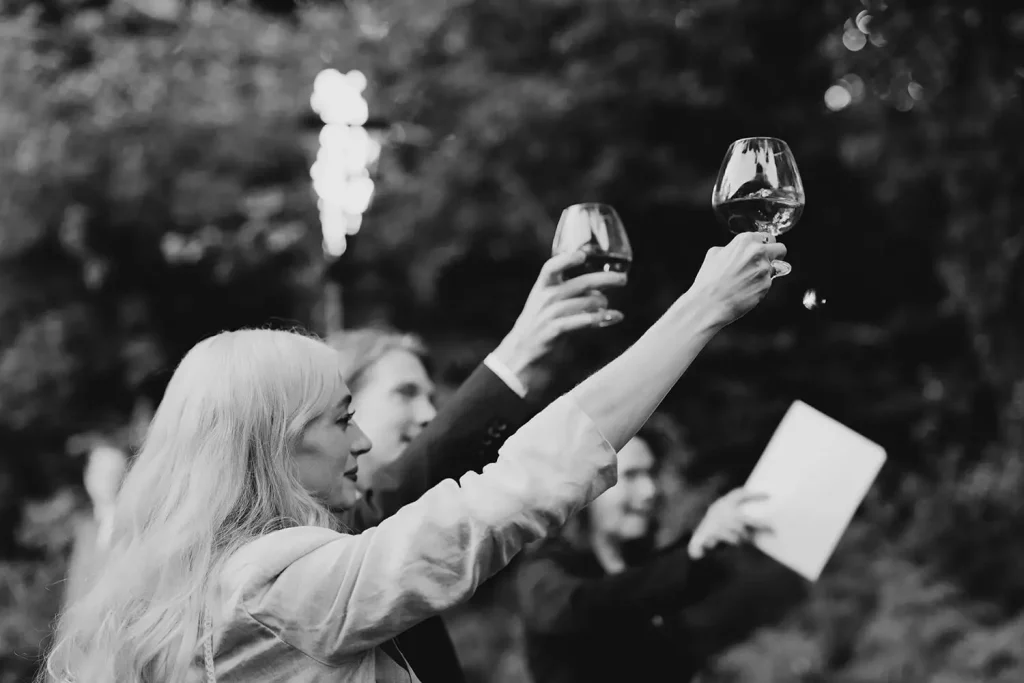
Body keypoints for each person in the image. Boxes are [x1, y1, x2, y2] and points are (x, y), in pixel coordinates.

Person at [42, 232, 786, 683]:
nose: (364, 440)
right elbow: (516, 493)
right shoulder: (275, 590)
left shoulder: (198, 589)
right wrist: (700, 311)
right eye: (341, 419)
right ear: (273, 442)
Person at [327, 250, 627, 682]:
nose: (429, 414)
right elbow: (402, 487)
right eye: (405, 393)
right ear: (343, 402)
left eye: (431, 398)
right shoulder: (323, 536)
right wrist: (520, 350)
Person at [516, 421, 802, 683]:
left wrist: (714, 542)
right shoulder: (543, 573)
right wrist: (691, 554)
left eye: (651, 473)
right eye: (630, 476)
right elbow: (588, 606)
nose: (650, 490)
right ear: (583, 489)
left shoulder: (640, 565)